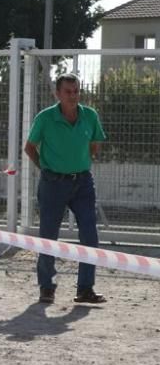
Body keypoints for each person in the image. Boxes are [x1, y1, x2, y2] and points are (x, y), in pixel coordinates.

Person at [24, 72, 107, 305]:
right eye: (68, 92)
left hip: (82, 182)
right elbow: (30, 147)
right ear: (57, 94)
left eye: (76, 91)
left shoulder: (89, 116)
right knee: (48, 236)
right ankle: (47, 287)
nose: (73, 96)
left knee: (90, 233)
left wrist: (80, 164)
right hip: (53, 183)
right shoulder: (45, 118)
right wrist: (46, 168)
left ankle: (85, 289)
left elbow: (94, 144)